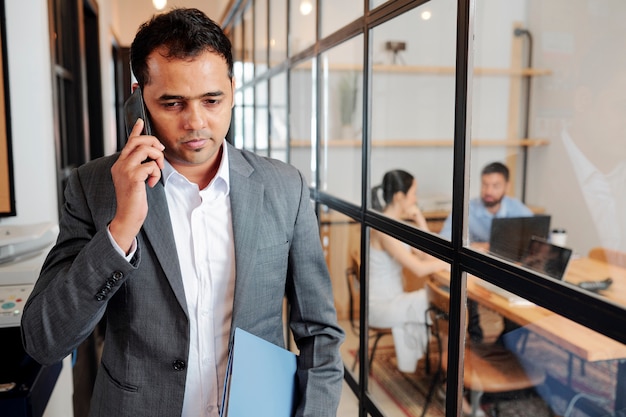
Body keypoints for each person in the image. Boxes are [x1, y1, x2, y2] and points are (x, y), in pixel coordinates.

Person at [20, 8, 344, 417]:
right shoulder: (94, 187)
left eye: (212, 100)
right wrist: (120, 229)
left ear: (232, 87)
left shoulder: (285, 187)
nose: (196, 122)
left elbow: (320, 333)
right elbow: (44, 340)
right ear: (138, 99)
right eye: (172, 103)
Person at [369, 170, 449, 373]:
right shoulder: (383, 228)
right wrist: (445, 265)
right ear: (399, 196)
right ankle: (448, 369)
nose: (416, 198)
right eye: (413, 193)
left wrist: (420, 220)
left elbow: (426, 255)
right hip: (380, 307)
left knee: (442, 304)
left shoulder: (397, 225)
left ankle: (447, 365)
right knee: (441, 302)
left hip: (394, 299)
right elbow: (418, 268)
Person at [439, 161, 533, 251]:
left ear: (507, 187)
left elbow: (540, 241)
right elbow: (447, 240)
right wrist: (472, 246)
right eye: (485, 185)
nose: (488, 191)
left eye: (495, 186)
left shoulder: (518, 210)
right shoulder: (466, 209)